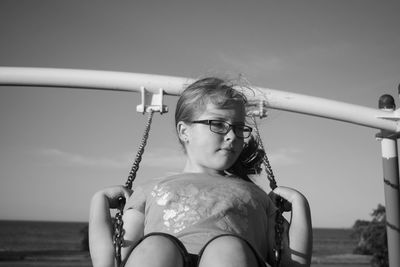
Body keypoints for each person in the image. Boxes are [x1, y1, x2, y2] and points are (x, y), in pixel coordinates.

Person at [89, 77, 312, 267]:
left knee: (227, 250)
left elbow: (291, 263)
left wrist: (300, 204)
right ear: (184, 131)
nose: (232, 135)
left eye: (238, 127)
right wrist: (98, 202)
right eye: (218, 124)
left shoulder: (255, 195)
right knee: (156, 248)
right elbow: (109, 260)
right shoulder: (150, 190)